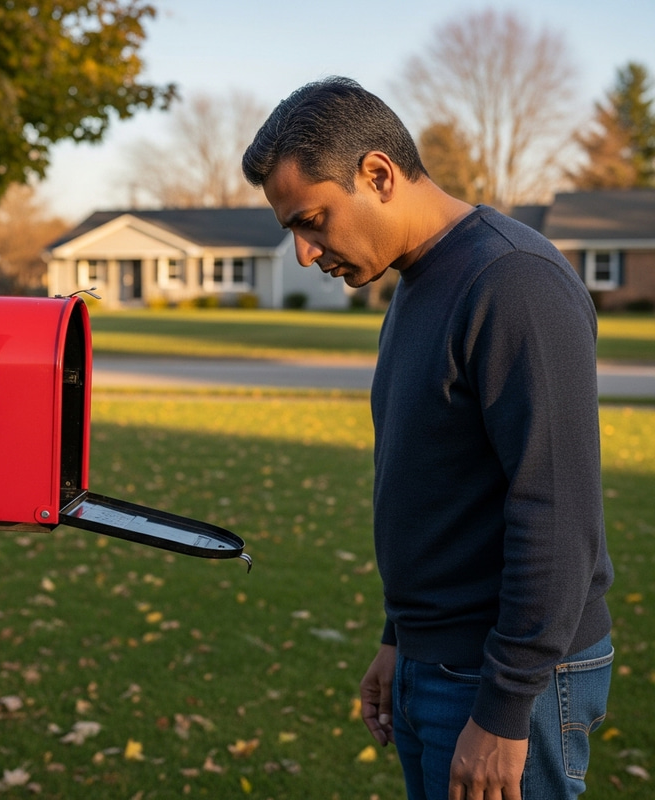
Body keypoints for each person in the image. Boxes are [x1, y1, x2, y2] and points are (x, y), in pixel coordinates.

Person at [242, 77, 614, 800]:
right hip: (434, 657)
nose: (305, 254)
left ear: (377, 174)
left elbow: (557, 512)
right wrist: (399, 637)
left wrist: (505, 710)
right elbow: (432, 486)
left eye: (313, 220)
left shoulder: (513, 281)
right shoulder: (416, 283)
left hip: (506, 677)